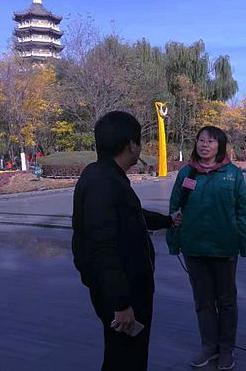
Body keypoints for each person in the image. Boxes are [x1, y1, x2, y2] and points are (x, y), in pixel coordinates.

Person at [72, 111, 182, 370]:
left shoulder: (105, 176)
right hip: (123, 294)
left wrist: (167, 221)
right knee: (126, 358)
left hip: (122, 291)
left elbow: (133, 215)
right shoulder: (103, 182)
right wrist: (121, 304)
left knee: (122, 355)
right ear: (132, 144)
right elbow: (103, 247)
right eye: (139, 141)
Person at [166, 126, 246, 370]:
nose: (204, 145)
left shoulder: (232, 174)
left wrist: (245, 244)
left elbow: (243, 211)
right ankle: (209, 347)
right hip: (194, 248)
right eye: (201, 140)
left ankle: (226, 349)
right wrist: (174, 242)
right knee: (203, 302)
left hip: (224, 248)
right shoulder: (186, 173)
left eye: (211, 141)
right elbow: (174, 209)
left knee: (226, 301)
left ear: (220, 146)